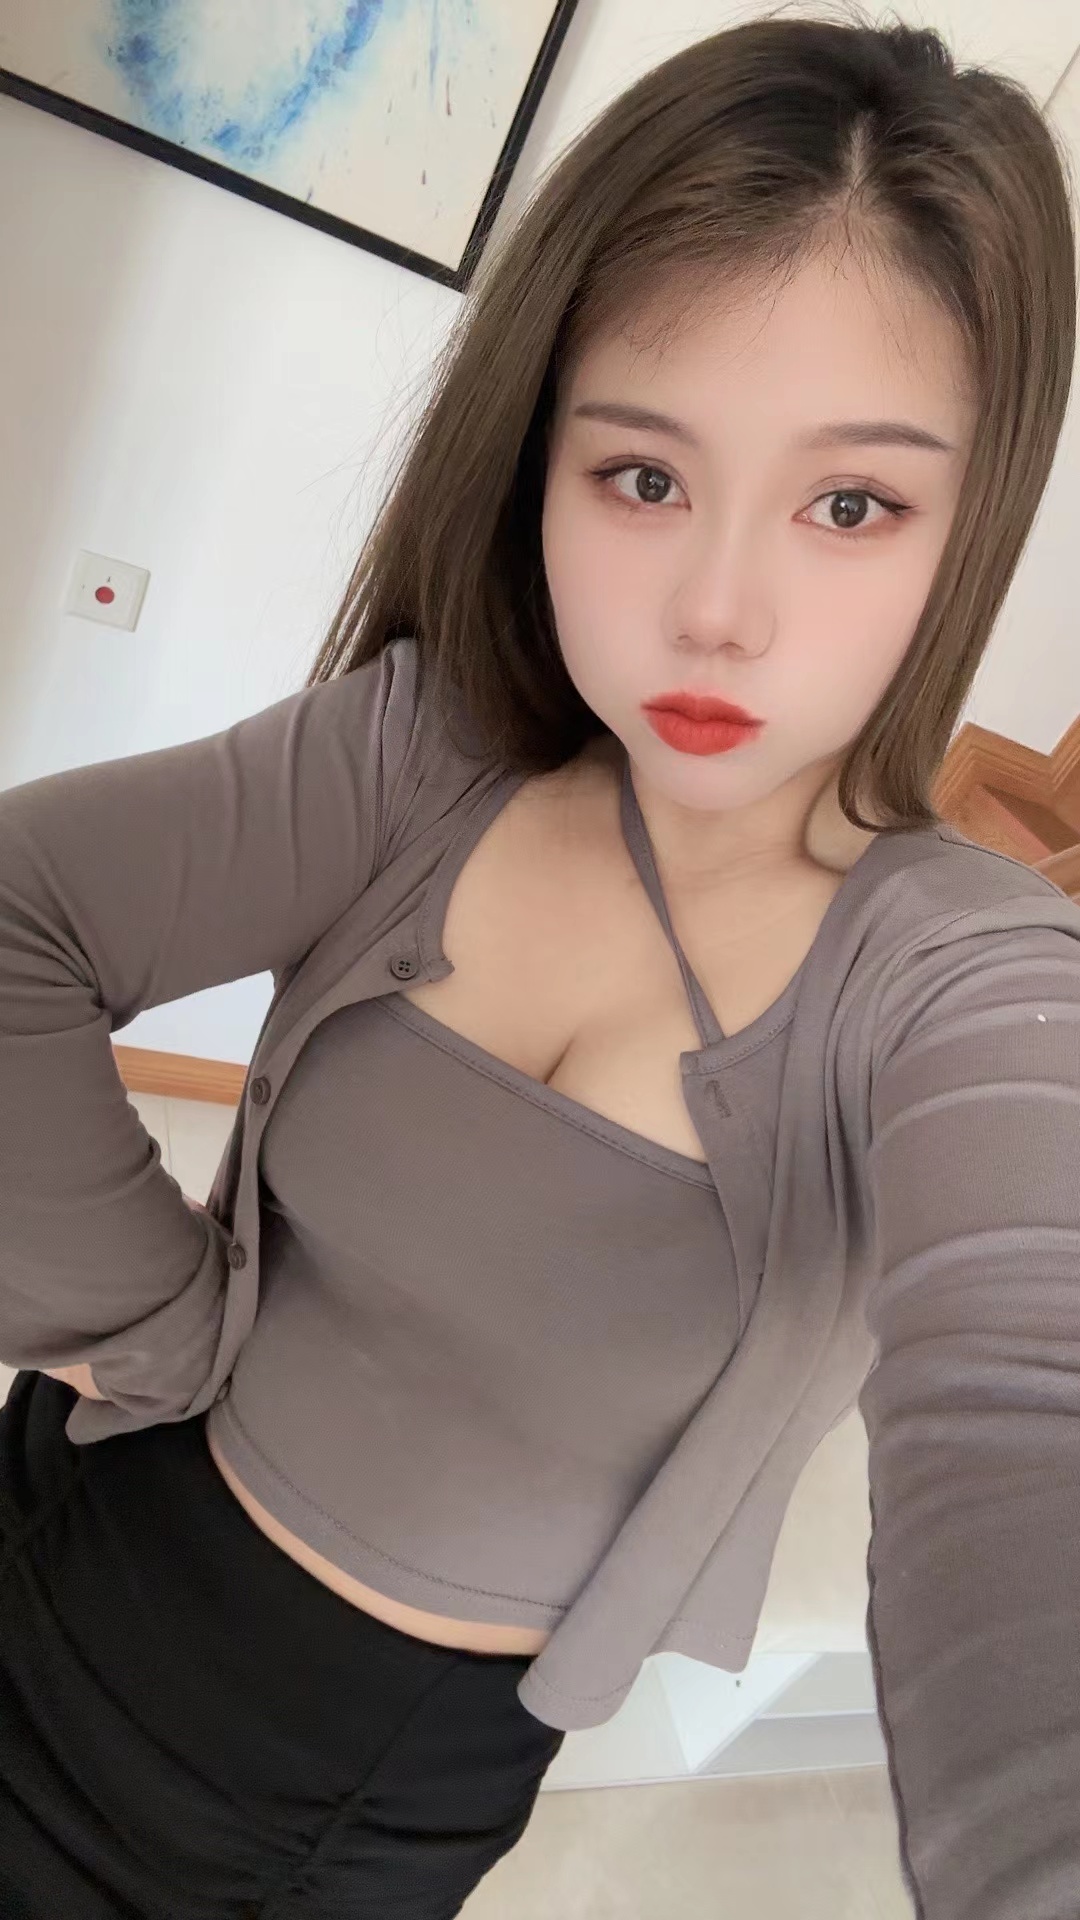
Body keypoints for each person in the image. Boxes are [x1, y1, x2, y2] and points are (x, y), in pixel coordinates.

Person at [1, 6, 1079, 1916]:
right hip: (62, 1515)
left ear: (966, 523)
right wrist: (144, 1315)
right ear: (539, 468)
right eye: (643, 478)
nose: (718, 612)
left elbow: (1029, 1396)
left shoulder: (962, 981)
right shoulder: (426, 754)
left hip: (326, 1812)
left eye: (851, 504)